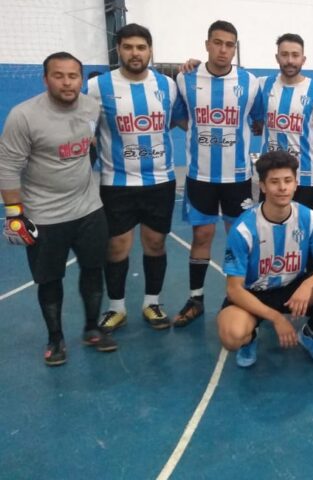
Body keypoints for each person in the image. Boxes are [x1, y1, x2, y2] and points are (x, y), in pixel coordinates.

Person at [0, 52, 117, 366]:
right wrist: (14, 214)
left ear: (81, 79)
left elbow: (88, 145)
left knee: (94, 270)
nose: (67, 82)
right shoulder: (23, 116)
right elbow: (8, 167)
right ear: (45, 78)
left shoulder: (92, 107)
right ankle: (55, 339)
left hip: (89, 209)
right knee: (49, 280)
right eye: (59, 75)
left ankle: (92, 329)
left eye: (73, 76)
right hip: (44, 215)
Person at [87, 23, 179, 332]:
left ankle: (152, 302)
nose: (135, 53)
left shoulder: (168, 85)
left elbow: (181, 119)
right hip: (116, 182)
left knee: (155, 243)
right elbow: (86, 134)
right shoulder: (99, 86)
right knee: (116, 247)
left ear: (151, 50)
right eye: (128, 47)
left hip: (160, 181)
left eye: (141, 47)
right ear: (119, 50)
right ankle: (116, 307)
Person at [217, 150, 313, 368]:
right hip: (253, 292)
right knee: (232, 336)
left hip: (291, 288)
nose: (282, 188)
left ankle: (310, 335)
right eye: (274, 182)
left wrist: (308, 284)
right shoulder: (244, 229)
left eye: (288, 181)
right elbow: (234, 290)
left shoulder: (308, 218)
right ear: (263, 186)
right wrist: (276, 318)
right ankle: (251, 339)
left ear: (296, 183)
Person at [174, 20, 261, 327]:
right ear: (207, 44)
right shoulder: (185, 80)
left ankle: (237, 296)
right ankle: (195, 298)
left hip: (238, 178)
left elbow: (259, 122)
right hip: (200, 176)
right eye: (218, 43)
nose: (224, 50)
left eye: (230, 44)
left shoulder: (251, 83)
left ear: (235, 48)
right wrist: (205, 133)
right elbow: (181, 119)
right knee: (202, 235)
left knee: (238, 238)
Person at [256, 33, 313, 217]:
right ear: (277, 57)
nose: (290, 60)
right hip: (271, 178)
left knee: (308, 236)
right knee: (269, 231)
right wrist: (198, 65)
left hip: (306, 179)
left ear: (303, 59)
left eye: (295, 55)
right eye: (284, 54)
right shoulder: (262, 85)